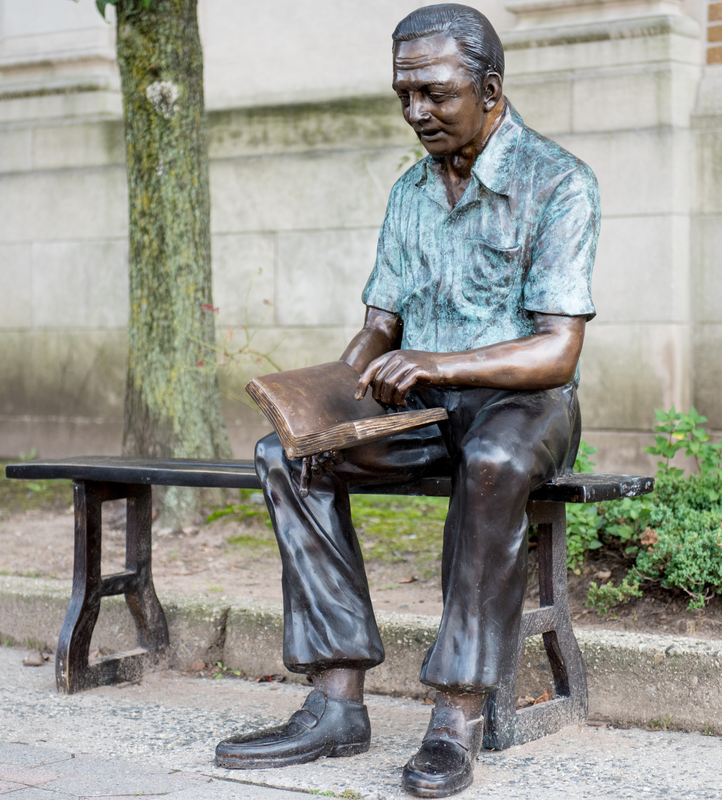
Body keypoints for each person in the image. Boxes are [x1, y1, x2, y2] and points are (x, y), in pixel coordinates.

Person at [215, 4, 600, 797]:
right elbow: (378, 329)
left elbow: (558, 347)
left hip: (528, 406)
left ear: (490, 90)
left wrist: (440, 362)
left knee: (492, 460)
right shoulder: (409, 193)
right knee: (291, 456)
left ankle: (456, 713)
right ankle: (334, 698)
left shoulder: (559, 182)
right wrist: (325, 396)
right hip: (426, 406)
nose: (416, 112)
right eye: (404, 95)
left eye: (434, 92)